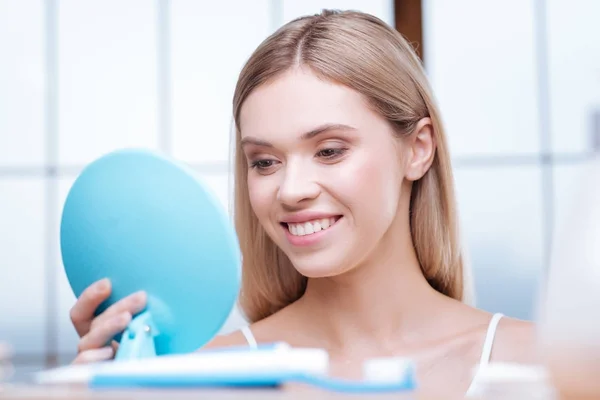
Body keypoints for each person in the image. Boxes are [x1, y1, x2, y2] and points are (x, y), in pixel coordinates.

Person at [67, 9, 537, 396]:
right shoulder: (201, 378)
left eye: (330, 151)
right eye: (265, 162)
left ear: (417, 149)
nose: (291, 190)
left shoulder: (541, 363)